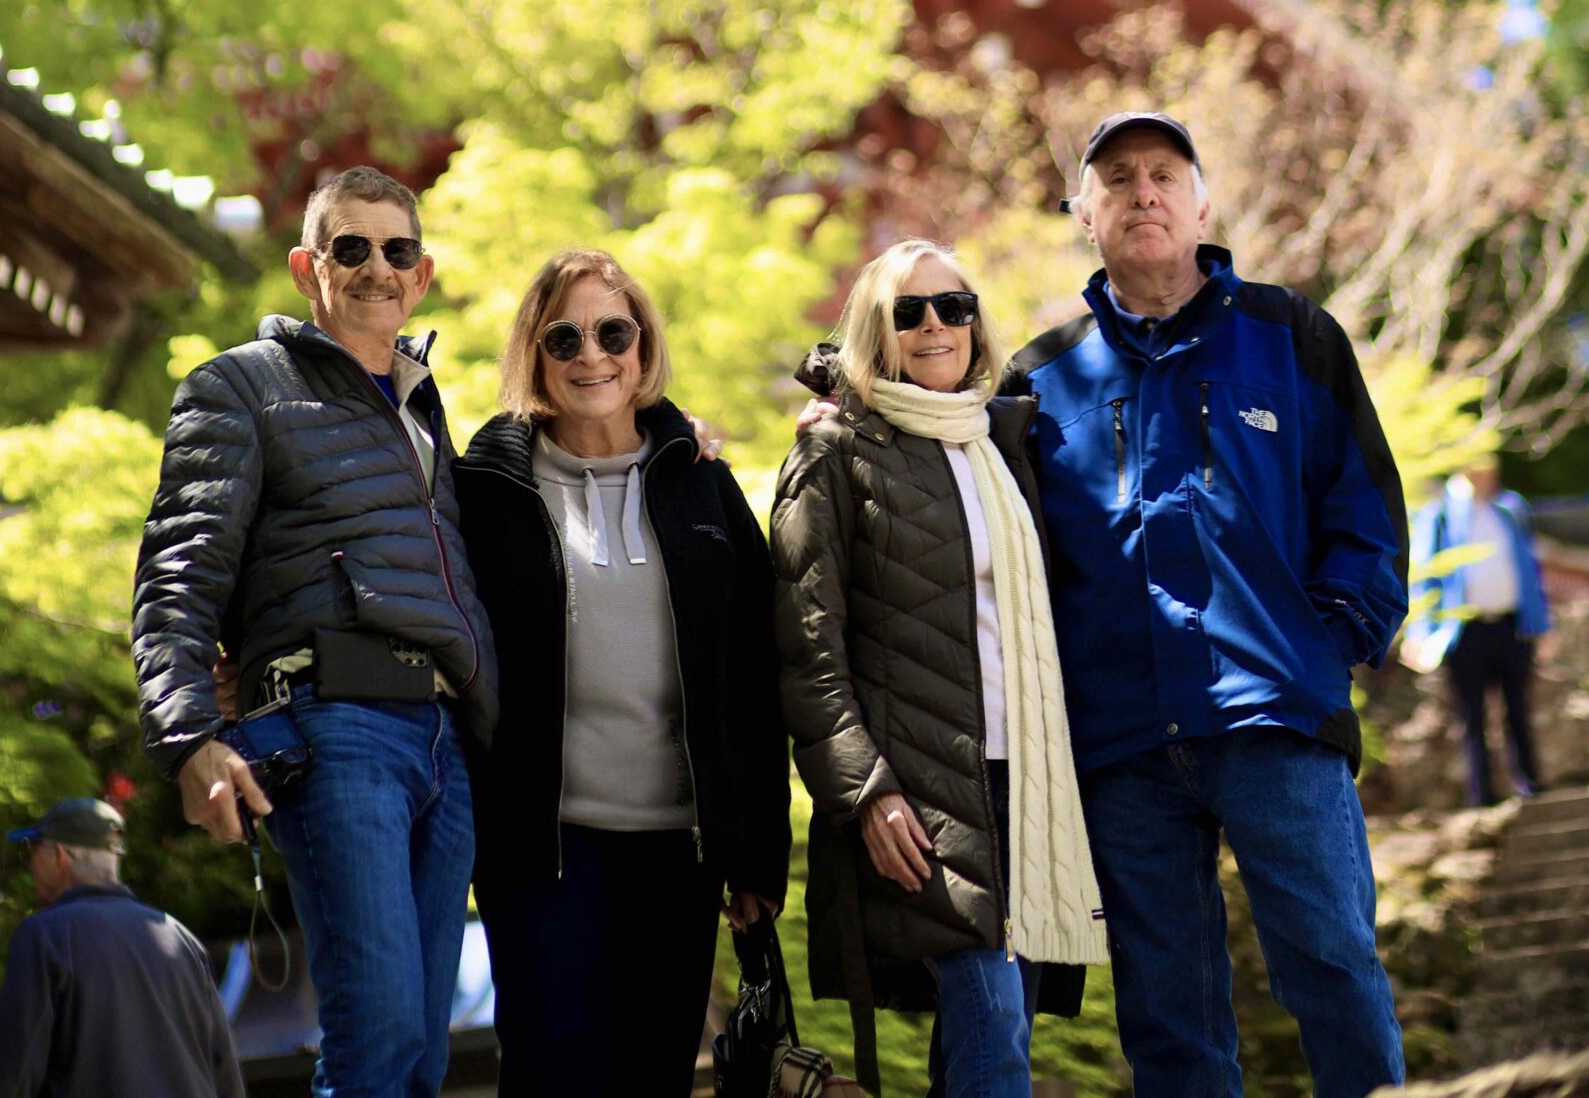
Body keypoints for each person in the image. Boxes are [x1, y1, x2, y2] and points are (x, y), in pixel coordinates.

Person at [1001, 111, 1408, 1098]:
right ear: (1082, 212)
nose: (1143, 191)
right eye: (1118, 178)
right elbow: (999, 556)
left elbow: (1366, 508)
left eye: (1164, 174)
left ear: (1200, 201)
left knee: (1334, 963)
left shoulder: (1292, 333)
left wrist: (1324, 646)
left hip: (1274, 717)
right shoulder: (1035, 378)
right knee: (1167, 1014)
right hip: (1122, 741)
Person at [132, 165, 498, 1098]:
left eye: (397, 250)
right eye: (351, 248)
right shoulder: (238, 387)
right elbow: (180, 569)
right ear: (307, 266)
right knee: (374, 1035)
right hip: (335, 728)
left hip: (447, 742)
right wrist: (187, 738)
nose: (377, 267)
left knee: (421, 1046)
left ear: (422, 275)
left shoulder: (426, 411)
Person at [453, 247, 790, 1098]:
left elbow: (754, 676)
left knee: (657, 1075)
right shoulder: (483, 493)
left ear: (643, 348)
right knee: (549, 1072)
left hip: (680, 849)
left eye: (613, 332)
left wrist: (756, 853)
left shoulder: (701, 485)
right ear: (534, 356)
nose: (591, 356)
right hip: (541, 849)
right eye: (563, 338)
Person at [773, 240, 1107, 1098]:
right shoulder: (835, 452)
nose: (934, 326)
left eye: (953, 307)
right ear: (876, 333)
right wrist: (864, 790)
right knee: (994, 1030)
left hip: (1026, 786)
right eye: (908, 311)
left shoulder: (1003, 445)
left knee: (988, 1038)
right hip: (921, 794)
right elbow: (807, 647)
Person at [0, 794, 242, 1098]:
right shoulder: (183, 939)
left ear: (59, 856)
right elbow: (225, 1073)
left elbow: (15, 1073)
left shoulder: (44, 935)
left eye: (33, 849)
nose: (30, 863)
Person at [1411, 459, 1549, 804]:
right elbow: (1426, 576)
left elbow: (1530, 570)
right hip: (1463, 630)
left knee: (1517, 708)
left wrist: (1541, 623)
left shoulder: (1510, 509)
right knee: (1471, 716)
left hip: (1511, 625)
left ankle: (1529, 783)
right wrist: (1421, 632)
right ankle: (1481, 794)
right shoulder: (1440, 514)